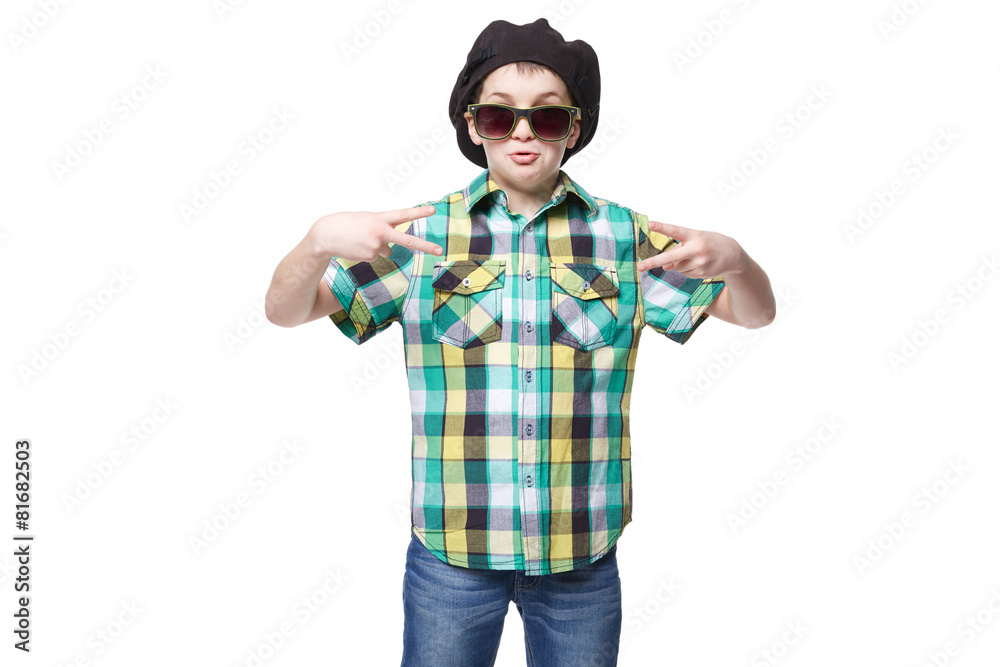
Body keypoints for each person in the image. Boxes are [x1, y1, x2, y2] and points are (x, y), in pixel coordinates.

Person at [265, 17, 776, 667]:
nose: (525, 134)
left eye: (549, 118)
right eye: (502, 118)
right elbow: (286, 312)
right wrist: (316, 243)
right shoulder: (419, 234)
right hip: (451, 554)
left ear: (577, 126)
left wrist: (736, 259)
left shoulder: (625, 236)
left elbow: (754, 314)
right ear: (474, 126)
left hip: (581, 553)